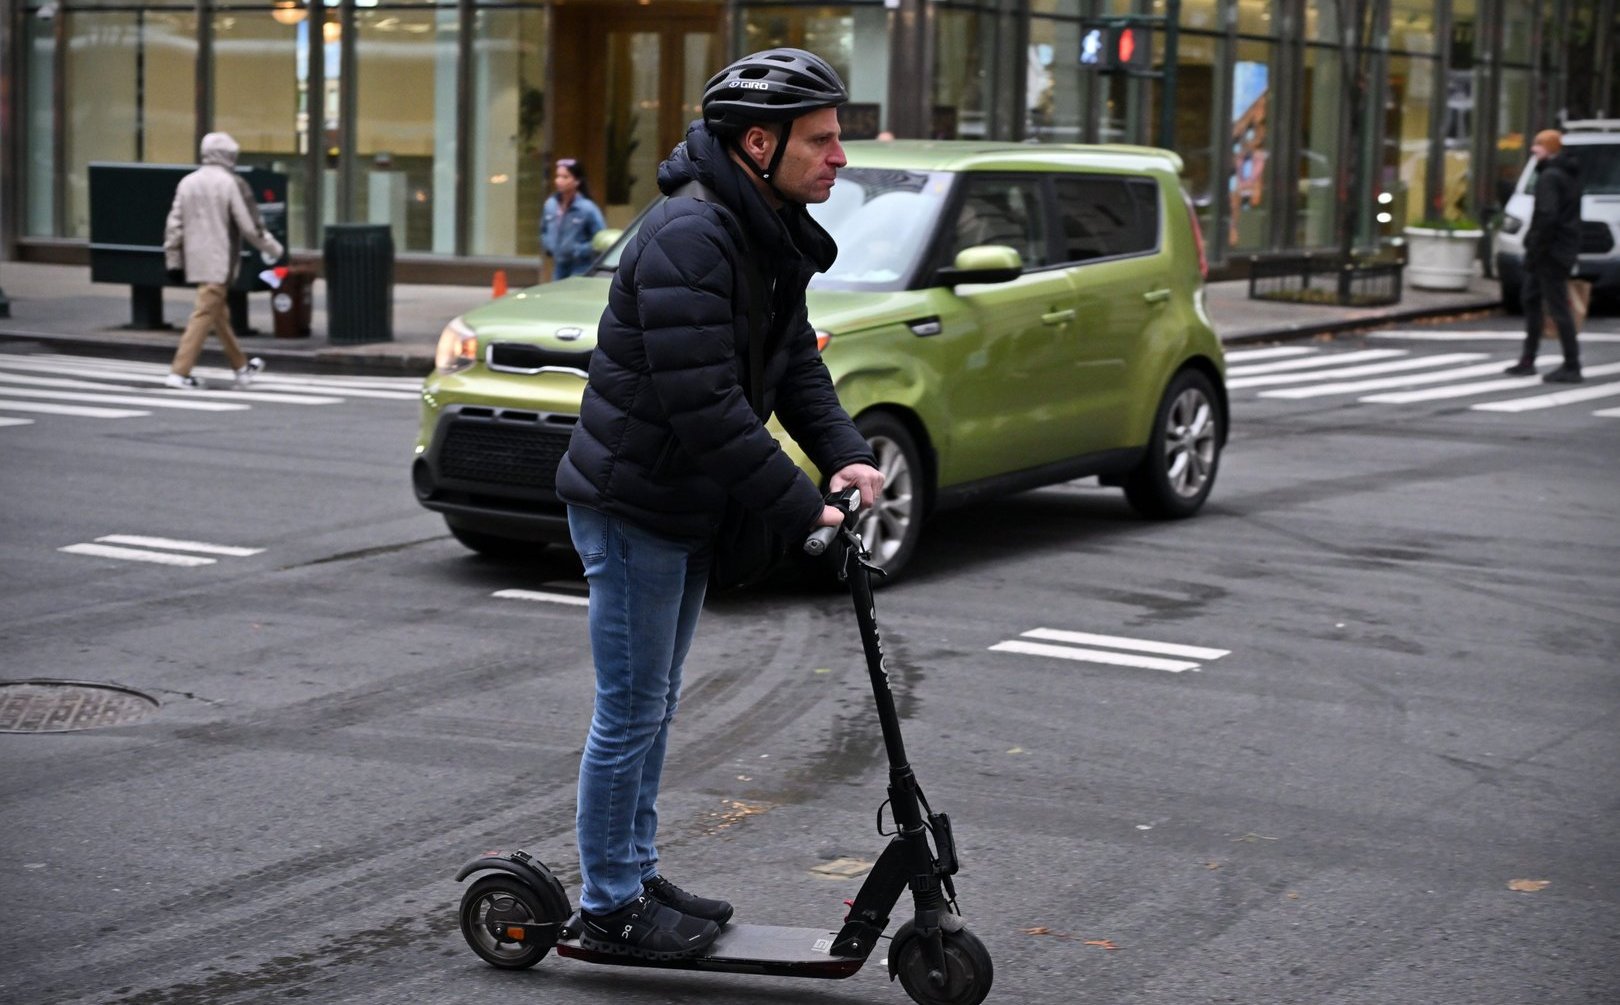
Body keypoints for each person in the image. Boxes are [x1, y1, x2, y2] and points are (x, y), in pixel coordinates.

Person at [553, 48, 884, 959]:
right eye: (820, 140)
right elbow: (707, 405)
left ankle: (632, 867)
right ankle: (610, 900)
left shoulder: (759, 225)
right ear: (757, 142)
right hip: (636, 503)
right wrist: (801, 509)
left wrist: (845, 457)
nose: (838, 158)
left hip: (682, 500)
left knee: (652, 704)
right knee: (631, 708)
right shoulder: (690, 237)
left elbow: (792, 365)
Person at [161, 131, 284, 390]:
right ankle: (179, 372)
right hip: (220, 260)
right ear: (230, 156)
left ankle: (241, 367)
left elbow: (174, 225)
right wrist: (276, 250)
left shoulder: (187, 182)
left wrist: (173, 259)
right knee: (205, 313)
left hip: (196, 260)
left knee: (218, 314)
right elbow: (251, 227)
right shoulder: (232, 183)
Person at [1505, 128, 1584, 383]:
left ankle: (1571, 365)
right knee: (1533, 298)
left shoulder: (1550, 177)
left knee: (1555, 306)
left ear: (1549, 149)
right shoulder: (1567, 175)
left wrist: (1535, 247)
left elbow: (1546, 217)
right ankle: (1529, 359)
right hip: (1559, 248)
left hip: (1549, 251)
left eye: (1538, 146)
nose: (1533, 150)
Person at [541, 158, 606, 280]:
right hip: (558, 266)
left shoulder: (587, 208)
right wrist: (549, 245)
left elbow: (600, 239)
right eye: (558, 176)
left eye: (565, 177)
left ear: (577, 181)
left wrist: (579, 250)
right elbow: (544, 229)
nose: (559, 181)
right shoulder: (551, 204)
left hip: (581, 267)